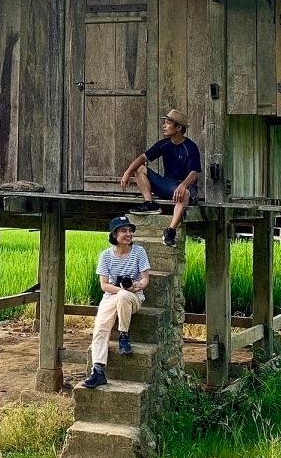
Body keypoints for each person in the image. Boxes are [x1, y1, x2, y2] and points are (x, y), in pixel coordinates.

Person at [81, 216, 151, 389]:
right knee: (100, 326)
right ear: (114, 234)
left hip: (134, 297)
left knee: (123, 296)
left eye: (130, 230)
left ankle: (123, 335)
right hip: (112, 295)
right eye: (123, 231)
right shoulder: (105, 256)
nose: (128, 234)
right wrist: (121, 288)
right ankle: (98, 370)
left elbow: (145, 279)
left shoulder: (139, 252)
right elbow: (104, 285)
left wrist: (137, 286)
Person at [120, 108, 201, 247]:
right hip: (167, 185)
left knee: (185, 193)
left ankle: (170, 231)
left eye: (168, 123)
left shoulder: (190, 147)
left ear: (178, 128)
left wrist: (183, 185)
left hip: (184, 188)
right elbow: (143, 157)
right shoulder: (164, 144)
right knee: (140, 168)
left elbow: (194, 173)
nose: (164, 126)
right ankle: (150, 203)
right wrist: (127, 172)